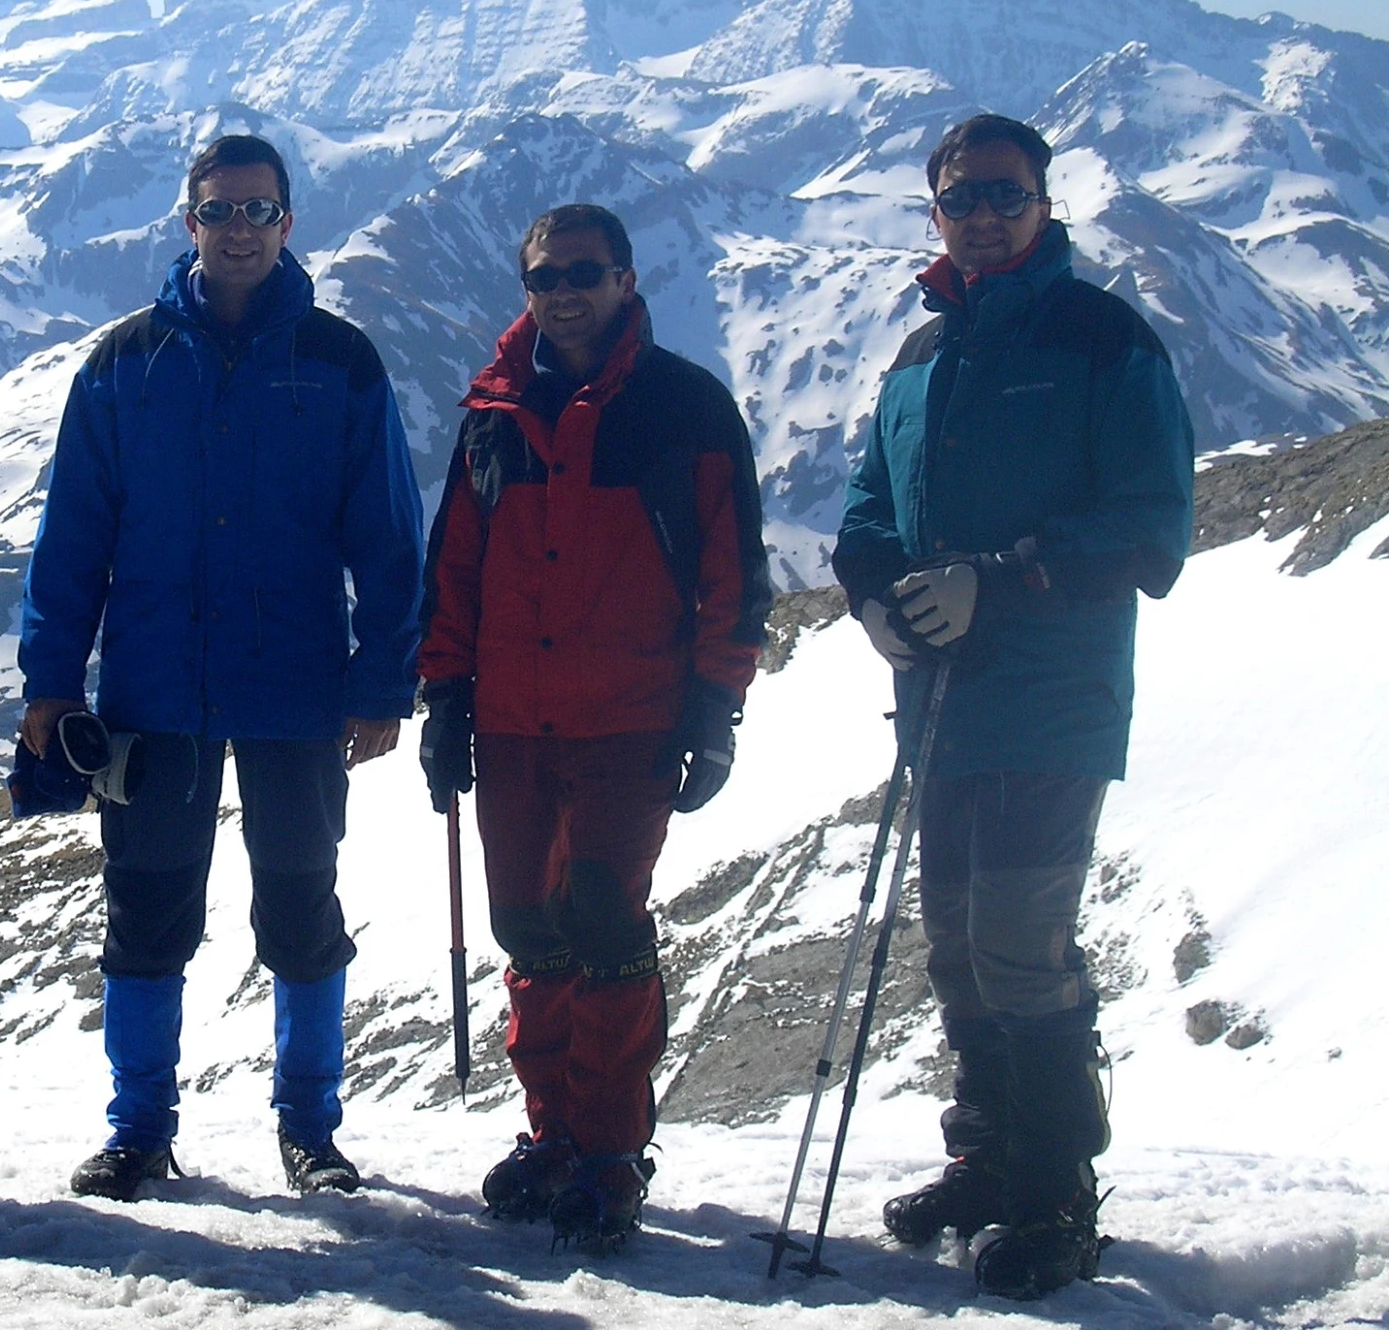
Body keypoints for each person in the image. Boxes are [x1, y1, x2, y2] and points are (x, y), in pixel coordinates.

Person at [17, 133, 424, 1201]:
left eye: (257, 210)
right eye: (217, 210)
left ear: (288, 223)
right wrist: (50, 680)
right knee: (145, 915)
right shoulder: (121, 364)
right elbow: (73, 535)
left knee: (300, 911)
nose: (237, 228)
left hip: (295, 689)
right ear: (186, 221)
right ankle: (140, 1130)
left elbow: (385, 534)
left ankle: (310, 1132)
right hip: (154, 689)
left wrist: (384, 680)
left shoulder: (341, 362)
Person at [835, 114, 1193, 1299]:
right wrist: (872, 594)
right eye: (959, 198)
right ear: (931, 213)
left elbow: (1150, 529)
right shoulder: (919, 356)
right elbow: (866, 506)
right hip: (941, 696)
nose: (981, 214)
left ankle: (1054, 1190)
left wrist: (998, 577)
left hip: (1050, 696)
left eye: (1003, 194)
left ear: (1042, 203)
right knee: (954, 945)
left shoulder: (1100, 339)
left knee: (1019, 944)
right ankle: (989, 1156)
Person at [418, 203, 773, 1252]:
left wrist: (716, 708)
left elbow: (731, 574)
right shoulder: (491, 414)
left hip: (628, 724)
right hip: (514, 722)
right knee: (529, 931)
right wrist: (442, 698)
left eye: (583, 271)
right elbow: (455, 571)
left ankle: (610, 1151)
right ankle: (554, 1136)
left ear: (624, 278)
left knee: (606, 926)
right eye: (543, 276)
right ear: (524, 289)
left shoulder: (684, 410)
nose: (563, 291)